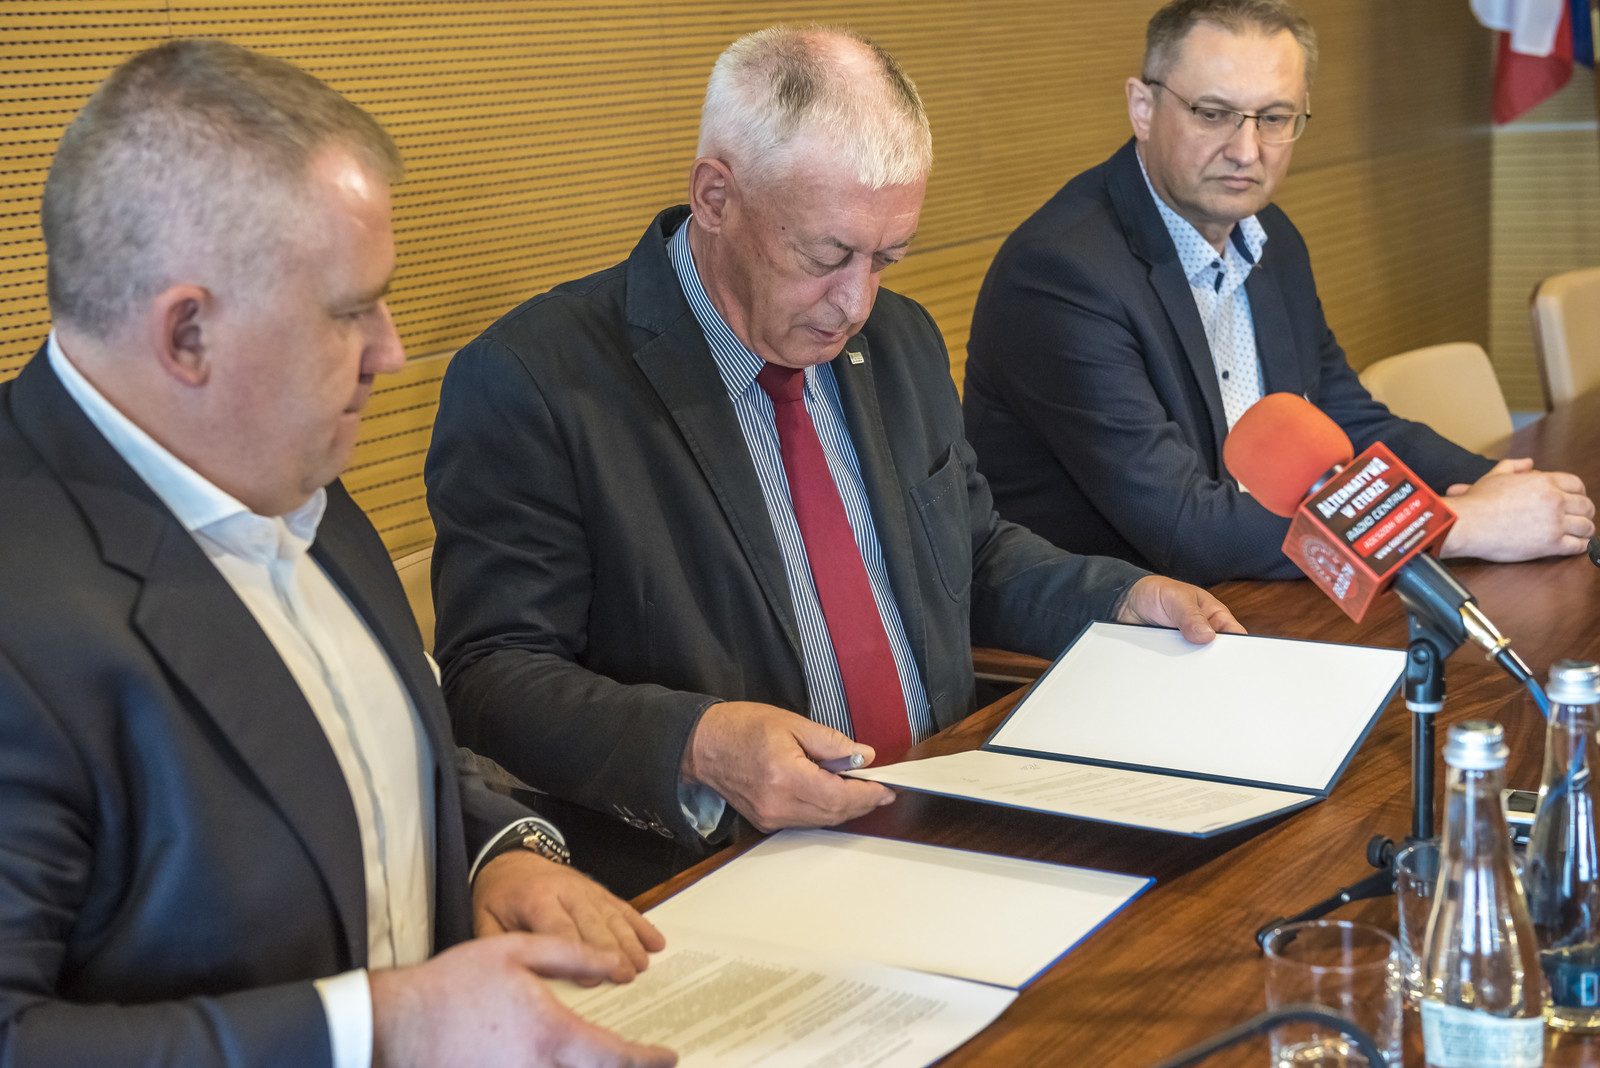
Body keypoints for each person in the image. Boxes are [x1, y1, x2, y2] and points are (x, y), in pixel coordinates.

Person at [425, 25, 1243, 894]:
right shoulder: (537, 382)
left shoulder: (901, 341)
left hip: (950, 820)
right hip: (723, 868)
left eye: (885, 258)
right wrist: (700, 744)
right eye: (826, 255)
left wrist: (1118, 597)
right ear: (715, 196)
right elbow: (491, 677)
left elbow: (970, 556)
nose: (856, 302)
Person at [0, 40, 675, 1068]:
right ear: (188, 336)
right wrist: (386, 1026)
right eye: (351, 312)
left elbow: (340, 739)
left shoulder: (275, 453)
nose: (390, 352)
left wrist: (491, 853)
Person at [962, 0, 1596, 588]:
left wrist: (1506, 489)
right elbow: (1187, 529)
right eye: (1213, 114)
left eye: (1274, 118)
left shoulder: (1271, 237)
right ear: (1143, 108)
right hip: (1109, 628)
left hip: (1256, 592)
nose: (1246, 152)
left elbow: (1350, 422)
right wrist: (1454, 525)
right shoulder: (1061, 276)